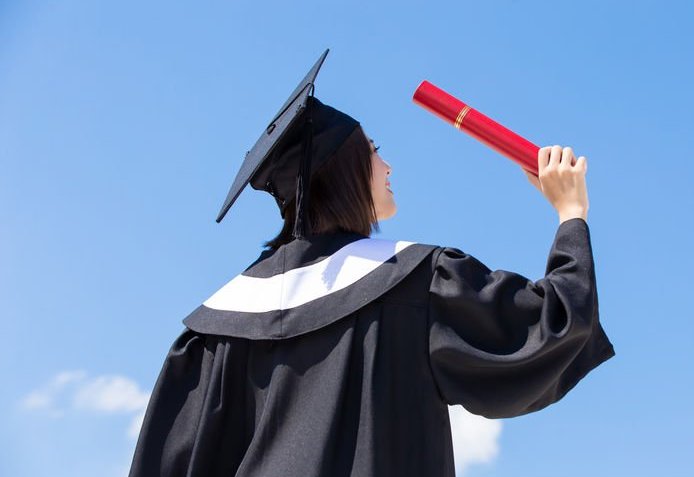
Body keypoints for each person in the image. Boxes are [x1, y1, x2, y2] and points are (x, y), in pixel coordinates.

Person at [127, 68, 614, 477]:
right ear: (347, 171)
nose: (388, 166)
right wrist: (571, 212)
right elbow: (551, 328)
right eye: (375, 150)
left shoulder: (214, 334)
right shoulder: (417, 282)